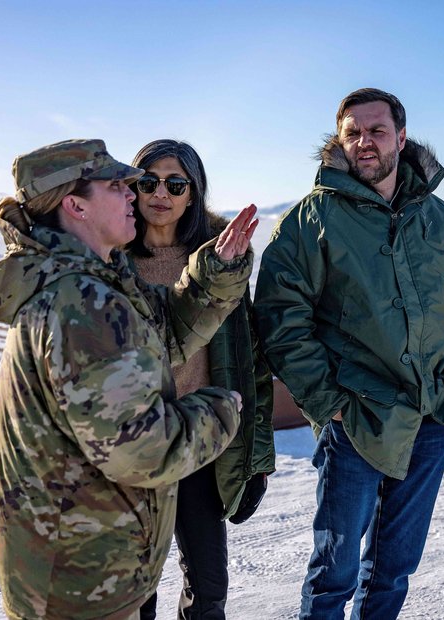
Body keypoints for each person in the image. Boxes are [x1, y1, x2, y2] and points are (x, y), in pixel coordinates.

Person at [0, 138, 259, 620]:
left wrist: (214, 276)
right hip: (81, 576)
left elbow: (165, 333)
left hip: (87, 555)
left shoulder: (92, 281)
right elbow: (141, 451)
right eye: (120, 185)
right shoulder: (81, 304)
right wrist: (218, 411)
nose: (136, 194)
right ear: (75, 206)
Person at [254, 88, 444, 619]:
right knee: (333, 572)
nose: (365, 142)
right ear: (339, 141)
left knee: (395, 567)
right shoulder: (311, 220)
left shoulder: (438, 217)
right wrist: (327, 400)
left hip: (430, 411)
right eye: (353, 132)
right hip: (356, 416)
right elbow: (280, 317)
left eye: (377, 131)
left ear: (401, 139)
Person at [127, 139, 275, 620]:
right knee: (133, 590)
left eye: (175, 183)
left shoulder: (220, 264)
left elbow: (249, 360)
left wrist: (257, 457)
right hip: (134, 447)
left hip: (200, 441)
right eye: (148, 181)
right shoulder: (113, 263)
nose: (160, 194)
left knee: (208, 586)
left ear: (193, 193)